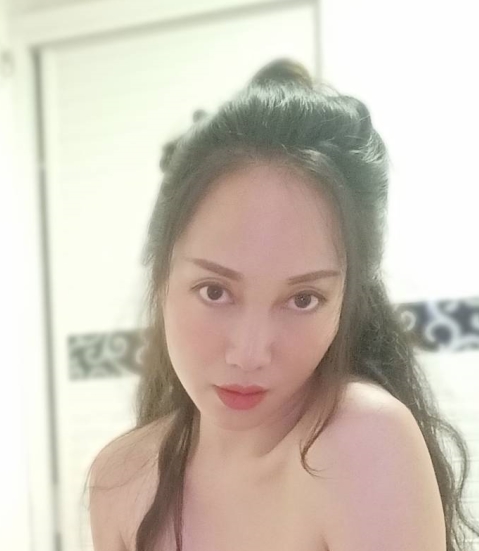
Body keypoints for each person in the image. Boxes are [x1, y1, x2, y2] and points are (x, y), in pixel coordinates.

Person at [87, 59, 479, 551]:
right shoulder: (121, 481)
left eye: (303, 299)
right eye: (215, 291)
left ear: (346, 300)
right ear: (163, 275)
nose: (249, 354)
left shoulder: (361, 442)